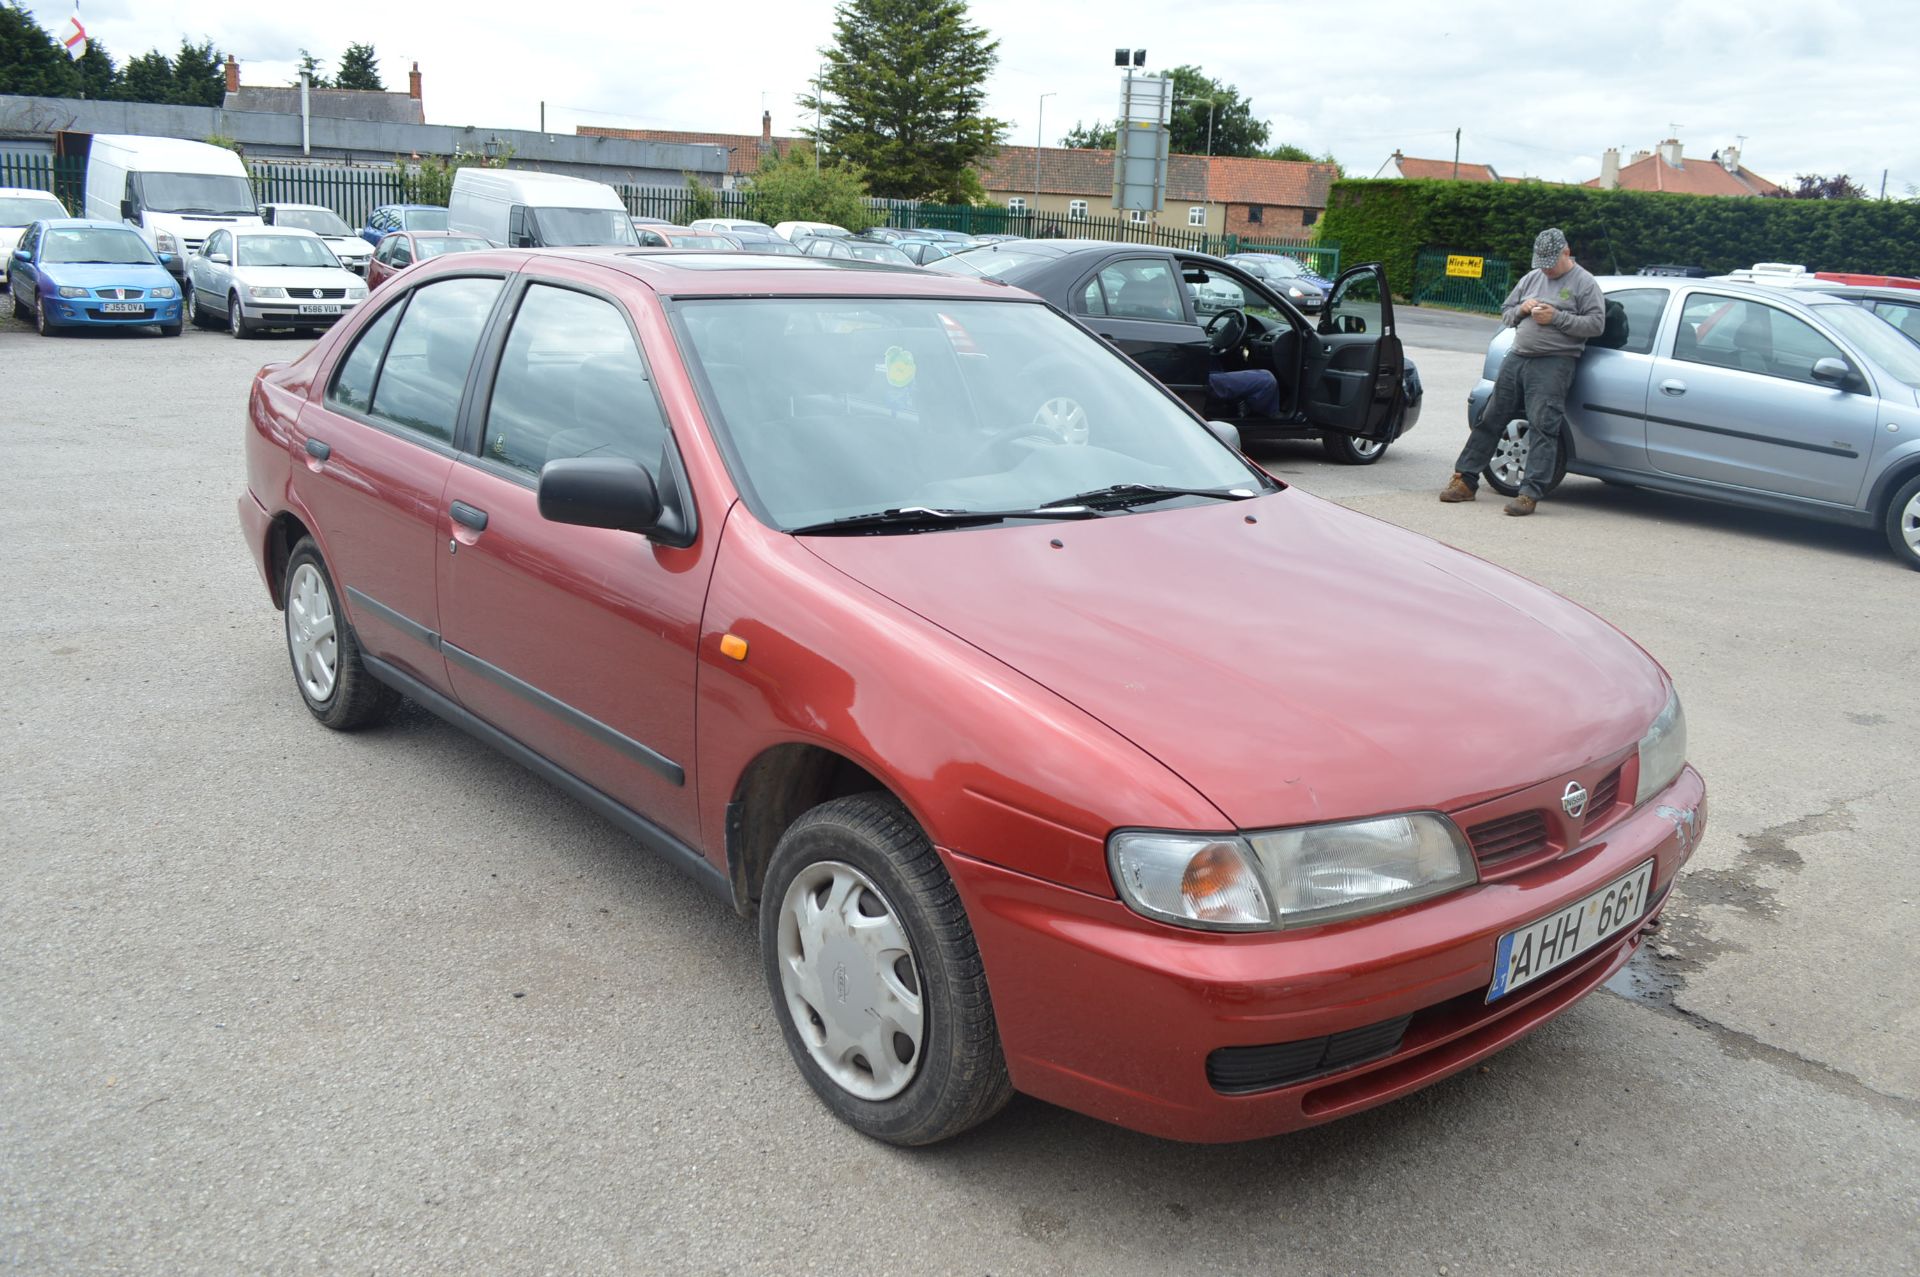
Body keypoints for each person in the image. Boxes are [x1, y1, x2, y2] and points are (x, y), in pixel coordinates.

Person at [1440, 227, 1605, 515]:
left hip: (1555, 362)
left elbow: (1595, 325)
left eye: (1550, 263)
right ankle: (1465, 480)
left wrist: (1557, 318)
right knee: (1490, 416)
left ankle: (1529, 493)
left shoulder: (1585, 283)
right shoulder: (1532, 277)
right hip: (1517, 356)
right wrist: (1522, 310)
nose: (1546, 270)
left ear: (1566, 252)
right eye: (1541, 263)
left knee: (1544, 425)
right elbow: (1506, 312)